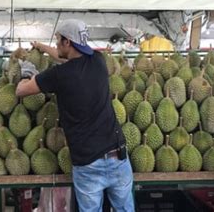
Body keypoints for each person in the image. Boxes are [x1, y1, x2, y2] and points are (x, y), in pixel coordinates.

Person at [15, 19, 134, 212]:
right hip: (117, 156)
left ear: (67, 42)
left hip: (88, 163)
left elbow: (21, 91)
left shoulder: (58, 75)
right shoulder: (98, 60)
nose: (55, 44)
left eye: (58, 40)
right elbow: (65, 58)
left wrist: (26, 73)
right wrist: (41, 47)